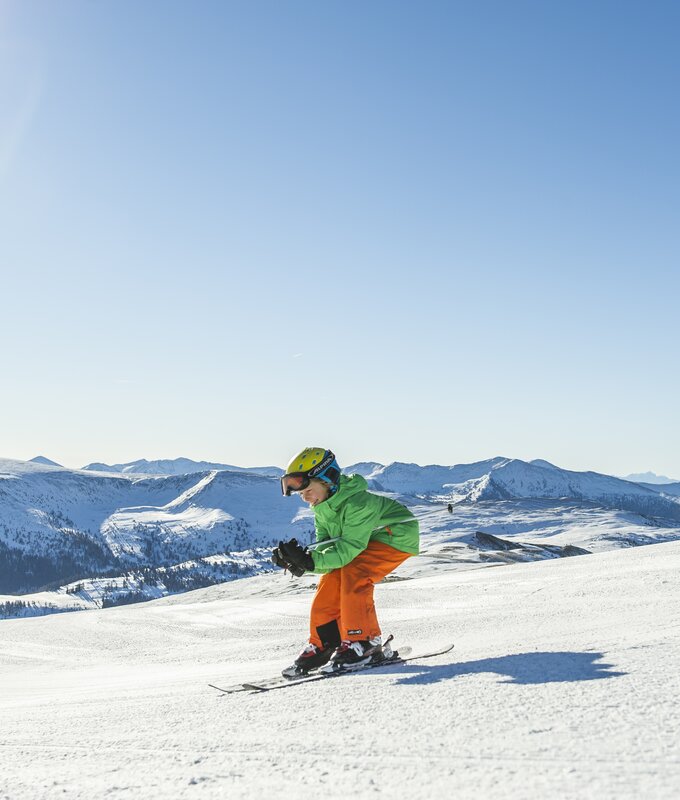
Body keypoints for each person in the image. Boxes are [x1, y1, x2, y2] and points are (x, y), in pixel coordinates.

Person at [272, 447, 419, 676]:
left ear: (326, 479)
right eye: (301, 494)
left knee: (355, 572)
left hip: (395, 536)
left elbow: (349, 549)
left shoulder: (358, 503)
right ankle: (324, 643)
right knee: (331, 578)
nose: (305, 497)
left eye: (308, 490)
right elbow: (329, 551)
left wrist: (309, 562)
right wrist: (303, 562)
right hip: (366, 540)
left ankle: (365, 643)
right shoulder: (322, 508)